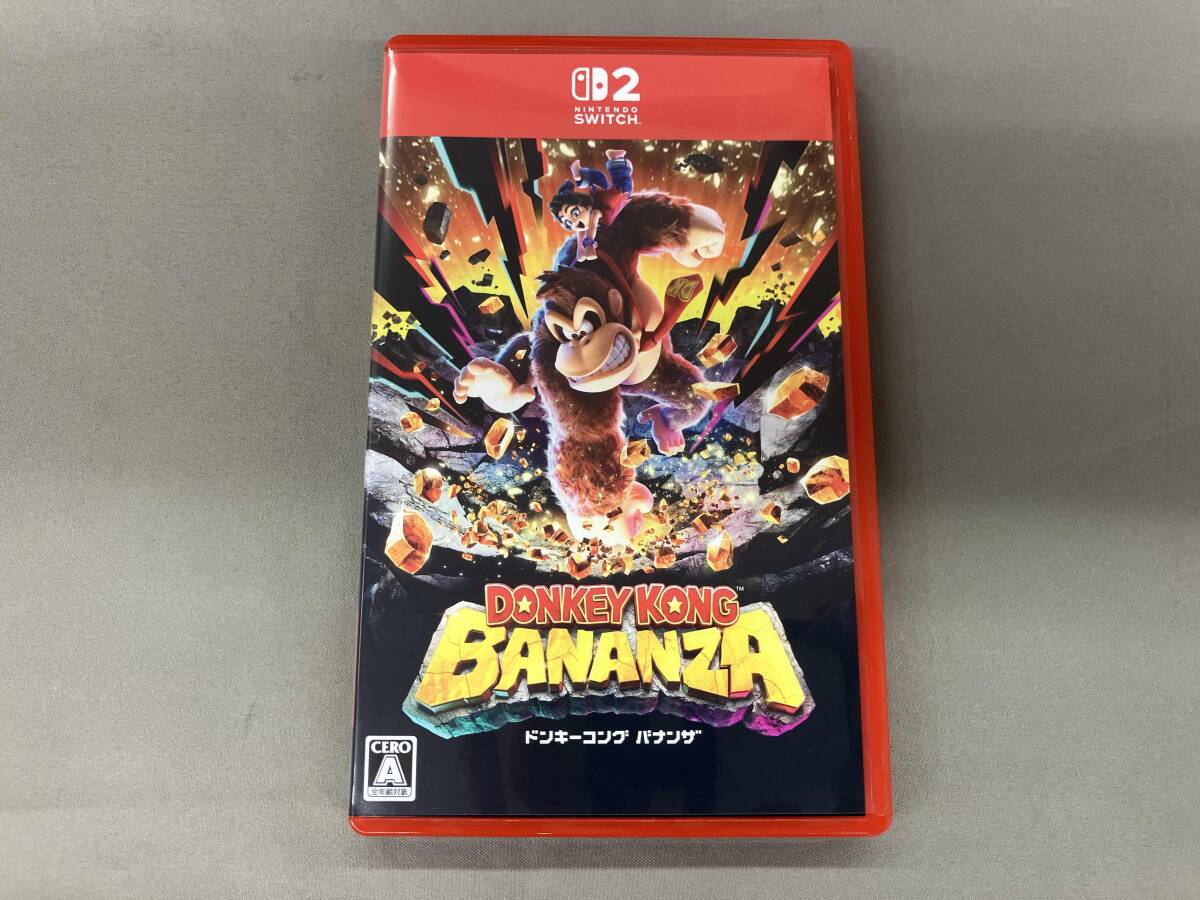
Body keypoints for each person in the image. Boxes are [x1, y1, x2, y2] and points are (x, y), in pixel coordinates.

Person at [548, 149, 633, 266]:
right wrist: (580, 250)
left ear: (584, 204)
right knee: (599, 179)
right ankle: (582, 175)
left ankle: (614, 161)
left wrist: (589, 246)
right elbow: (581, 233)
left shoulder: (594, 213)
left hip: (610, 204)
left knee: (625, 186)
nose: (574, 223)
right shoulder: (582, 224)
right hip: (602, 200)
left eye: (575, 213)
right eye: (568, 223)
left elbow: (592, 229)